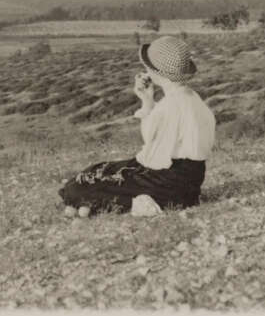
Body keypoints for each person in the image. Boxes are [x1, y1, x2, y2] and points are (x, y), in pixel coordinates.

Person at [58, 35, 216, 216]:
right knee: (98, 172)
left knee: (82, 184)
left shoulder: (170, 105)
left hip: (166, 181)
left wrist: (147, 103)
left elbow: (151, 152)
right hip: (191, 182)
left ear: (156, 71)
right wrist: (148, 99)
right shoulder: (192, 98)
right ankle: (115, 202)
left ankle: (133, 202)